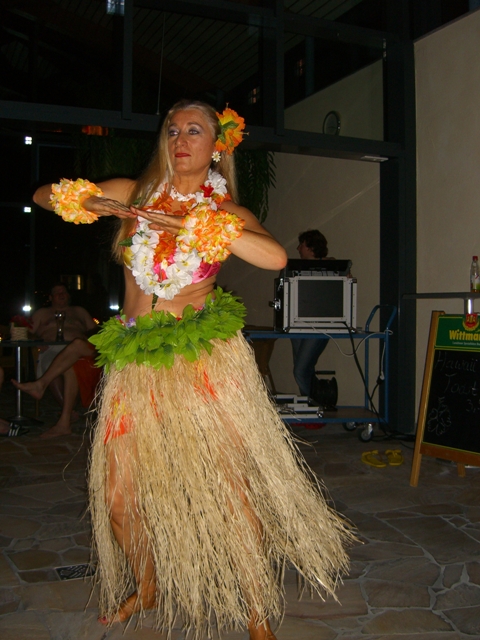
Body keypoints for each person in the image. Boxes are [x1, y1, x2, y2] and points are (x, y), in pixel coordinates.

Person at [32, 100, 352, 640]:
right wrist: (88, 200)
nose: (180, 140)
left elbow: (274, 258)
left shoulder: (222, 213)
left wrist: (190, 225)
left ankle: (256, 612)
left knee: (231, 492)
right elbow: (43, 195)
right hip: (135, 361)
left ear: (217, 147)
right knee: (118, 500)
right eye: (173, 130)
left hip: (202, 359)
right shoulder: (134, 193)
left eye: (194, 131)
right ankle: (148, 583)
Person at [12, 337, 101, 439]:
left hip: (112, 351)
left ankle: (40, 385)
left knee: (78, 344)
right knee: (71, 365)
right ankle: (64, 423)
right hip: (102, 349)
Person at [291, 229, 332, 396]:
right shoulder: (295, 268)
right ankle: (310, 403)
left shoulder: (330, 266)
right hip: (297, 323)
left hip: (320, 325)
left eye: (301, 245)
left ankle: (313, 405)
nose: (298, 249)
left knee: (300, 371)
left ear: (310, 247)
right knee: (305, 369)